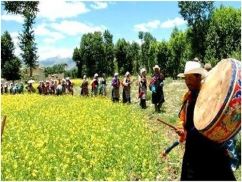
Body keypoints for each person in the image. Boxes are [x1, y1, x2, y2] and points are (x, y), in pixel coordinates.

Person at [176, 61, 235, 180]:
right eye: (185, 78)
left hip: (212, 150)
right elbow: (183, 120)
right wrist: (182, 130)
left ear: (199, 78)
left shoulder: (211, 96)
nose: (187, 82)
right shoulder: (187, 97)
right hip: (192, 151)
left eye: (190, 78)